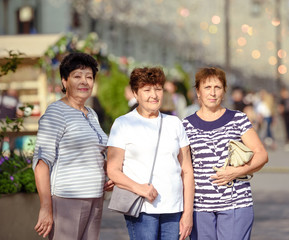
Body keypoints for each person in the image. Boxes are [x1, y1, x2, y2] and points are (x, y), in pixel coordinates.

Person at [32, 52, 114, 239]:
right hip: (68, 199)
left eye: (89, 77)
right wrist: (46, 208)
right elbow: (41, 162)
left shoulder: (91, 114)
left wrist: (108, 172)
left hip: (94, 197)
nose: (84, 82)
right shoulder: (56, 112)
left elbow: (95, 152)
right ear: (64, 81)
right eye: (77, 76)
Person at [106, 67, 194, 240]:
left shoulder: (175, 123)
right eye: (146, 90)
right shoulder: (123, 124)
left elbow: (187, 170)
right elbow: (113, 170)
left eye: (158, 89)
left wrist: (188, 213)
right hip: (142, 208)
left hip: (174, 209)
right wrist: (140, 188)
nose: (153, 95)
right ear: (135, 93)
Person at [182, 67, 268, 240]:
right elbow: (184, 169)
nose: (212, 93)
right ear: (198, 92)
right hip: (200, 208)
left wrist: (236, 172)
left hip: (236, 204)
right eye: (207, 88)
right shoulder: (185, 125)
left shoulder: (238, 119)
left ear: (224, 91)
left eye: (217, 87)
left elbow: (261, 154)